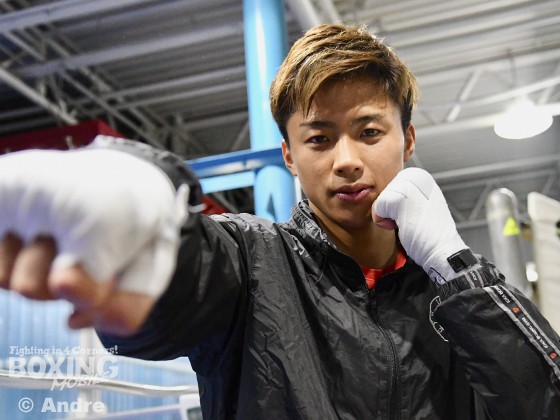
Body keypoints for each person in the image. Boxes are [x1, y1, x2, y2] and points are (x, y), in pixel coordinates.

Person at [0, 23, 559, 419]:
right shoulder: (251, 262)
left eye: (369, 132)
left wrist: (457, 270)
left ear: (407, 140)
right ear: (289, 155)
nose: (346, 160)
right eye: (319, 138)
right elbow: (182, 287)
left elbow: (543, 401)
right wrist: (141, 206)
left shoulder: (457, 293)